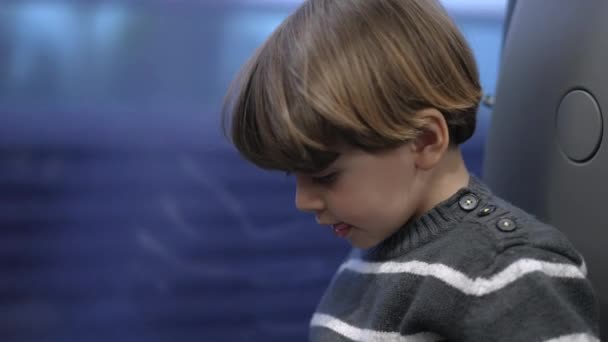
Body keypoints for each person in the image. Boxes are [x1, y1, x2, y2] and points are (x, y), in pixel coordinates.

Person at [221, 0, 600, 340]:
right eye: (293, 176)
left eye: (324, 176)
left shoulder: (506, 269)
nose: (302, 201)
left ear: (424, 141)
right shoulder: (371, 252)